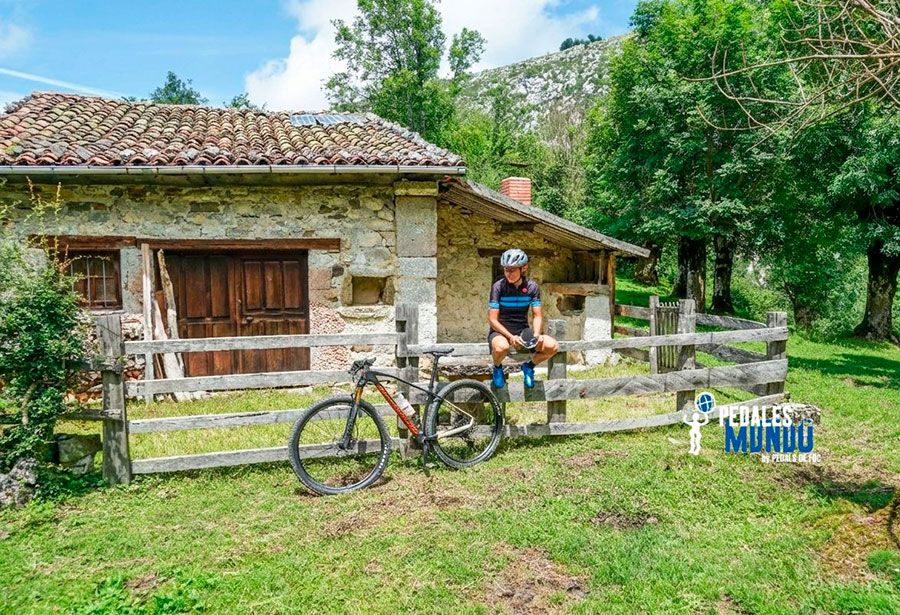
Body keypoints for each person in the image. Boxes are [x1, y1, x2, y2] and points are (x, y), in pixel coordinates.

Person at [488, 248, 559, 389]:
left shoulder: (532, 287)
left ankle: (529, 366)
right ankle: (497, 368)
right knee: (502, 347)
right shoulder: (498, 287)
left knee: (553, 346)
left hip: (522, 331)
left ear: (524, 268)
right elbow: (492, 320)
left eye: (512, 270)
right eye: (506, 270)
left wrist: (536, 335)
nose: (509, 273)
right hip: (500, 332)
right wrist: (510, 337)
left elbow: (537, 315)